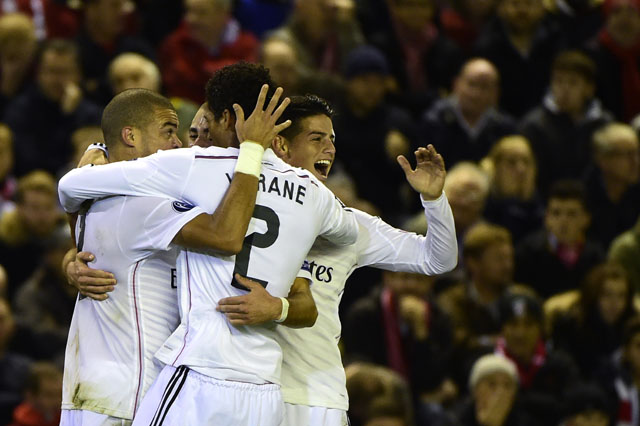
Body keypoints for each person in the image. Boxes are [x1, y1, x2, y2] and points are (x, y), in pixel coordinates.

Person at [59, 65, 359, 426]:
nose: (189, 144)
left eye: (202, 132)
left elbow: (229, 240)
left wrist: (89, 167)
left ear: (228, 120)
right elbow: (347, 233)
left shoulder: (194, 177)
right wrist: (74, 257)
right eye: (185, 133)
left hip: (180, 382)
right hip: (127, 393)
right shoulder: (305, 194)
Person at [519, 50, 613, 196]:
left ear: (589, 89)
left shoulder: (604, 124)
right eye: (558, 81)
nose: (564, 89)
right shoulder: (534, 126)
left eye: (572, 82)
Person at [3, 39, 102, 177]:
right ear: (39, 74)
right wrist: (65, 117)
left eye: (64, 72)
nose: (57, 80)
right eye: (51, 71)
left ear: (78, 75)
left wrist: (70, 115)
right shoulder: (21, 110)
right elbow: (29, 162)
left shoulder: (91, 114)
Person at [515, 180, 605, 298]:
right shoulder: (528, 252)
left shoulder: (595, 256)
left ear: (586, 219)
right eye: (556, 213)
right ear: (546, 218)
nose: (563, 221)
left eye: (571, 214)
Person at [158, 0, 259, 104]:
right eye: (188, 11)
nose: (191, 19)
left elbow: (246, 84)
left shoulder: (247, 45)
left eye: (201, 12)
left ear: (224, 14)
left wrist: (206, 69)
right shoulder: (174, 44)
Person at [421, 58, 515, 169]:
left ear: (496, 93)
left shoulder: (505, 129)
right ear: (456, 84)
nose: (476, 94)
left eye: (484, 87)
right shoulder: (434, 122)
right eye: (472, 84)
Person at [586, 122, 640, 249]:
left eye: (637, 152)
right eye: (627, 154)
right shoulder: (584, 197)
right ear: (603, 160)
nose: (636, 161)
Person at [481, 135, 544, 244]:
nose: (521, 169)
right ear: (495, 168)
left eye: (526, 161)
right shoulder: (482, 207)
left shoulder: (540, 210)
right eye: (511, 162)